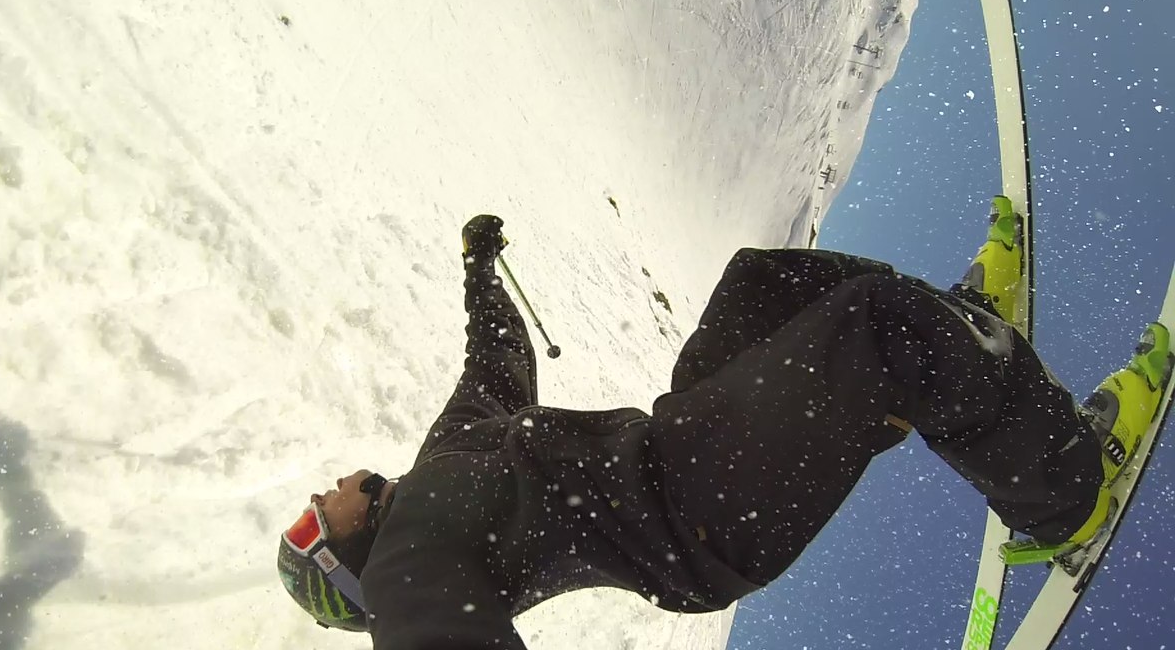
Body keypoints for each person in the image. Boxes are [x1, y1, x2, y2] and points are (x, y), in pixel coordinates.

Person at [276, 204, 1171, 649]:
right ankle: (1068, 493)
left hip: (676, 443)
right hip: (688, 520)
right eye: (312, 522)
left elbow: (492, 368)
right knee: (870, 328)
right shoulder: (402, 579)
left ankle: (951, 329)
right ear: (339, 567)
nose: (320, 495)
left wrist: (479, 272)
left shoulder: (443, 461)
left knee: (761, 284)